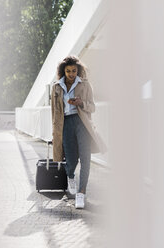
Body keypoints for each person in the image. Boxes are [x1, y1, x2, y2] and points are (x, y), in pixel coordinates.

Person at [51, 55, 106, 209]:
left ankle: (81, 194)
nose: (71, 74)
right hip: (65, 124)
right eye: (68, 71)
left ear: (78, 70)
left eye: (74, 71)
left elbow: (92, 107)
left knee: (85, 159)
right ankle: (70, 176)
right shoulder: (56, 87)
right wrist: (55, 132)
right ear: (63, 71)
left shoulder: (85, 85)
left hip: (82, 123)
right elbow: (54, 113)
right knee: (71, 160)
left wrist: (81, 103)